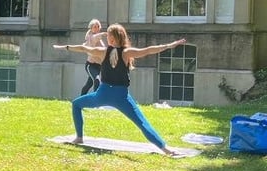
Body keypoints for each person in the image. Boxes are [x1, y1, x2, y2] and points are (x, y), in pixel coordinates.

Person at [53, 23, 186, 156]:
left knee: (76, 104)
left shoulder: (103, 51)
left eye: (108, 36)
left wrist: (64, 47)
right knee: (142, 123)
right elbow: (149, 50)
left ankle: (79, 138)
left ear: (111, 38)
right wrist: (170, 45)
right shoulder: (126, 52)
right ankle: (166, 149)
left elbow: (83, 48)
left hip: (103, 94)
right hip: (121, 97)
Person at [80, 18, 108, 95]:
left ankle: (81, 99)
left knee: (89, 84)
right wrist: (102, 34)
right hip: (90, 65)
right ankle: (96, 101)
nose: (96, 28)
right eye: (94, 27)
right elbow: (94, 38)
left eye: (98, 26)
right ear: (91, 28)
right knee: (97, 80)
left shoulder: (100, 40)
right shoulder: (90, 37)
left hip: (99, 66)